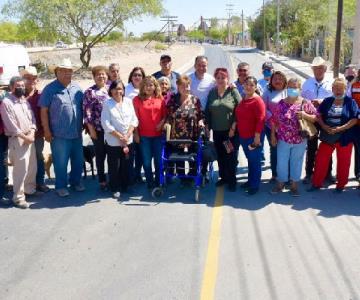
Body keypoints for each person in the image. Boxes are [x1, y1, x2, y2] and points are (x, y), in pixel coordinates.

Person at [40, 58, 84, 197]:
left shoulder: (77, 88)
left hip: (76, 132)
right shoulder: (50, 89)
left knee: (78, 160)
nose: (67, 73)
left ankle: (75, 182)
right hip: (59, 134)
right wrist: (46, 130)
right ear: (56, 72)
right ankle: (61, 186)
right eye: (63, 71)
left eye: (69, 71)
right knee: (60, 162)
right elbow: (43, 111)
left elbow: (83, 107)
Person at [308, 78, 358, 193]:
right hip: (328, 135)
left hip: (345, 136)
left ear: (345, 89)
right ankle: (316, 183)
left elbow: (355, 119)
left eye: (341, 88)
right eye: (336, 88)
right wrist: (324, 126)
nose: (338, 90)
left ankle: (341, 185)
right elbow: (318, 115)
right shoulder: (327, 101)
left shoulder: (351, 102)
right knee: (320, 159)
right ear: (332, 89)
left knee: (344, 162)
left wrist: (341, 128)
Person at [270, 78, 317, 196]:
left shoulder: (305, 103)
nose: (292, 89)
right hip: (283, 139)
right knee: (281, 162)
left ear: (300, 89)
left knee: (296, 162)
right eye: (290, 87)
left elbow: (316, 118)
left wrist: (304, 114)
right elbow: (274, 121)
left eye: (295, 87)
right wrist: (273, 136)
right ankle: (280, 184)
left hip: (299, 139)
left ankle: (294, 186)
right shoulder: (281, 103)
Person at [0, 77, 37, 208]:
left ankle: (29, 189)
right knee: (20, 170)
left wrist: (32, 131)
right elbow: (10, 125)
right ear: (11, 87)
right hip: (18, 139)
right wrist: (25, 137)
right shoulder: (6, 102)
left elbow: (32, 117)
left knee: (31, 166)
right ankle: (18, 198)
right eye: (18, 85)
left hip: (29, 136)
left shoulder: (24, 101)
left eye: (22, 85)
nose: (21, 87)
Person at [205, 68, 241, 192]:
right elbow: (208, 111)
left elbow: (240, 109)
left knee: (230, 156)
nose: (220, 80)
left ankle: (232, 180)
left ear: (228, 79)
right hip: (217, 132)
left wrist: (233, 126)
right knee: (220, 156)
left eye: (223, 77)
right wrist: (208, 127)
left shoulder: (233, 91)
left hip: (230, 132)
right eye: (218, 78)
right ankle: (224, 178)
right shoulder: (212, 93)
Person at [101, 80, 138, 199]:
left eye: (120, 89)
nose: (118, 91)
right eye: (116, 89)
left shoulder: (128, 102)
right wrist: (120, 137)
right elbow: (106, 124)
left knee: (127, 164)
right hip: (113, 142)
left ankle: (126, 186)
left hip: (128, 140)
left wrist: (127, 135)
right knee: (114, 166)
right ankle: (115, 188)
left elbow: (134, 120)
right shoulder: (107, 103)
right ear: (111, 90)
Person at [165, 75, 204, 183]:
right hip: (176, 135)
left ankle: (191, 177)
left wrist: (201, 122)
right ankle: (182, 178)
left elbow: (200, 115)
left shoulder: (195, 100)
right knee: (179, 158)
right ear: (177, 86)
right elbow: (168, 115)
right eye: (183, 86)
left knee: (193, 157)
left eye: (187, 86)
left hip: (192, 134)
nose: (186, 88)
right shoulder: (172, 99)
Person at [301, 56, 334, 184]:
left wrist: (322, 101)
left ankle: (328, 173)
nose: (318, 71)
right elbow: (302, 100)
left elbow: (335, 99)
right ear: (313, 69)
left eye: (320, 68)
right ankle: (309, 173)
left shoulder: (331, 83)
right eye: (316, 68)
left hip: (326, 118)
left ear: (325, 69)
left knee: (327, 145)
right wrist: (308, 104)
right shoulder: (307, 83)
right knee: (311, 147)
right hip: (311, 119)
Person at [232, 76, 265, 195]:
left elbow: (261, 120)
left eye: (251, 85)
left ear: (255, 87)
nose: (248, 87)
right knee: (250, 160)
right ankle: (251, 181)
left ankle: (255, 185)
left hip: (253, 137)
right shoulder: (244, 98)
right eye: (246, 84)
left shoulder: (257, 100)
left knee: (255, 161)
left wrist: (257, 137)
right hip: (243, 136)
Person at [133, 76, 167, 189]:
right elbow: (134, 119)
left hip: (158, 136)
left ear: (155, 86)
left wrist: (161, 123)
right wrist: (136, 134)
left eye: (151, 85)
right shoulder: (137, 100)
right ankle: (150, 183)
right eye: (146, 85)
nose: (149, 87)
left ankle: (158, 182)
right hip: (144, 136)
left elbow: (165, 115)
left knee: (158, 161)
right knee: (147, 162)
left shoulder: (160, 98)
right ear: (142, 87)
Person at [20, 66, 50, 193]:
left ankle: (40, 182)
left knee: (38, 157)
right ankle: (26, 185)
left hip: (37, 134)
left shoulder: (41, 95)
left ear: (37, 80)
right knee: (23, 160)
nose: (31, 80)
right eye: (27, 78)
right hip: (22, 135)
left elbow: (46, 113)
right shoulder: (17, 95)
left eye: (33, 78)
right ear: (23, 79)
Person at [83, 65, 110, 191]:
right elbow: (87, 113)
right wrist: (91, 129)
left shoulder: (111, 88)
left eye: (103, 74)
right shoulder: (90, 92)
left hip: (112, 130)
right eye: (98, 74)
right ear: (94, 77)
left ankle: (113, 177)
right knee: (100, 155)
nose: (101, 76)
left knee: (113, 155)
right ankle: (102, 180)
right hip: (98, 130)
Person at [262, 70, 288, 182]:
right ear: (271, 80)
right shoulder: (267, 91)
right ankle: (275, 174)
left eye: (280, 79)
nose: (277, 81)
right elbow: (263, 107)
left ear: (284, 81)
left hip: (286, 127)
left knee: (286, 151)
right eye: (275, 79)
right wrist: (271, 117)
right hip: (270, 126)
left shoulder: (288, 91)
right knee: (274, 149)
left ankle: (286, 175)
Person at [125, 67, 146, 184]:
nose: (137, 77)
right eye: (135, 75)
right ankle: (129, 176)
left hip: (143, 126)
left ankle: (137, 174)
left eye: (139, 75)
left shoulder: (146, 89)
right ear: (131, 77)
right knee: (130, 153)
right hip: (129, 126)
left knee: (141, 153)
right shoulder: (126, 89)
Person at [348, 67, 360, 181]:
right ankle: (358, 174)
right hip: (357, 123)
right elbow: (350, 102)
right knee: (358, 149)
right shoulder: (354, 86)